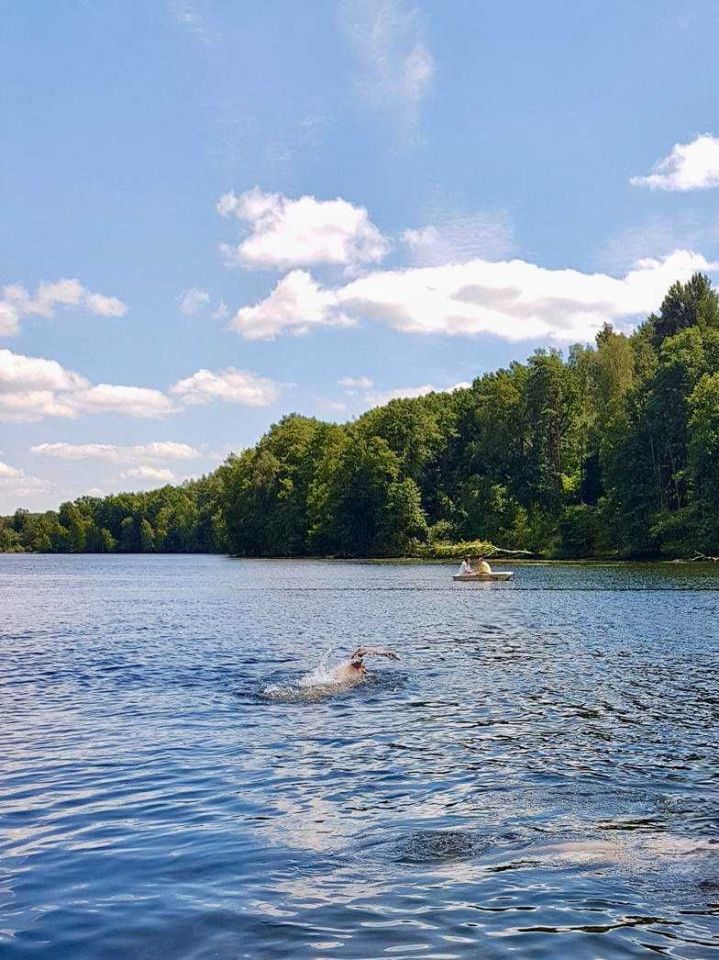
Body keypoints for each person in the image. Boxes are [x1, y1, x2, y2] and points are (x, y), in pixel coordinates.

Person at [331, 646, 399, 685]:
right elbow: (361, 650)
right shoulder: (354, 665)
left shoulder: (346, 670)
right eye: (363, 668)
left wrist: (384, 653)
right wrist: (383, 653)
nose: (364, 671)